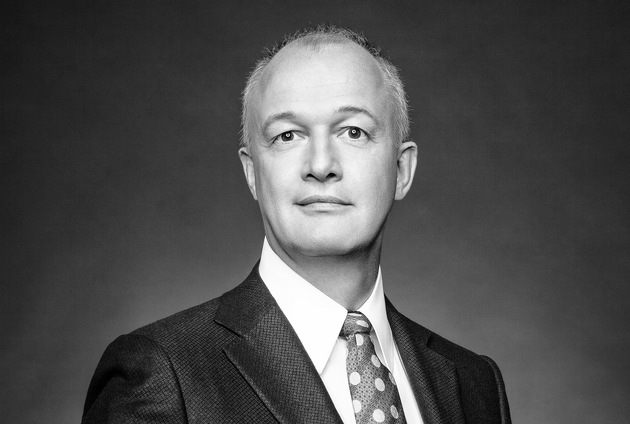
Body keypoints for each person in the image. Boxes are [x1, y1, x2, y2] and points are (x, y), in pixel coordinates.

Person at [82, 25, 511, 424]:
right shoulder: (161, 371)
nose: (321, 165)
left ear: (401, 169)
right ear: (252, 172)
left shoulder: (475, 383)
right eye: (288, 135)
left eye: (353, 132)